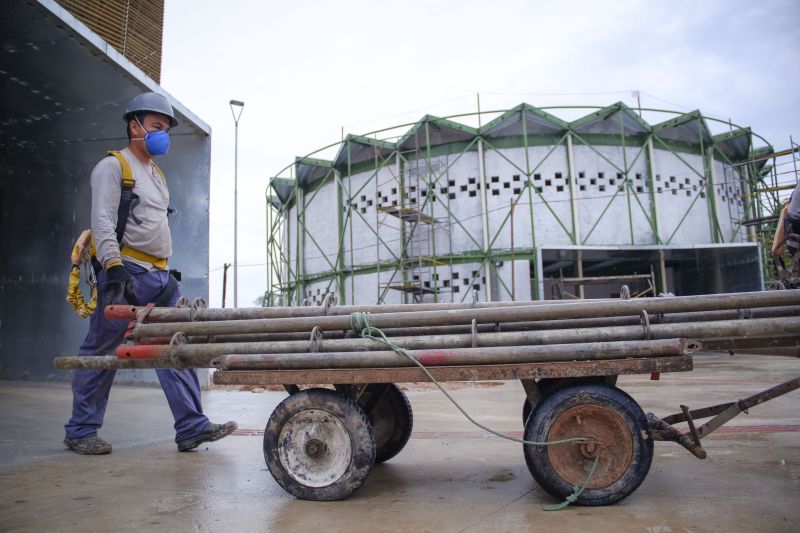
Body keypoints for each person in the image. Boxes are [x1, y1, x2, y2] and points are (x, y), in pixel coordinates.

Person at [64, 92, 237, 455]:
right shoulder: (113, 167)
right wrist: (112, 267)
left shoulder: (155, 175)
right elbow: (102, 221)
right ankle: (80, 430)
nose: (163, 136)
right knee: (102, 350)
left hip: (160, 279)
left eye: (167, 130)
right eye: (157, 127)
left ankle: (191, 426)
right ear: (134, 126)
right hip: (125, 272)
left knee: (175, 348)